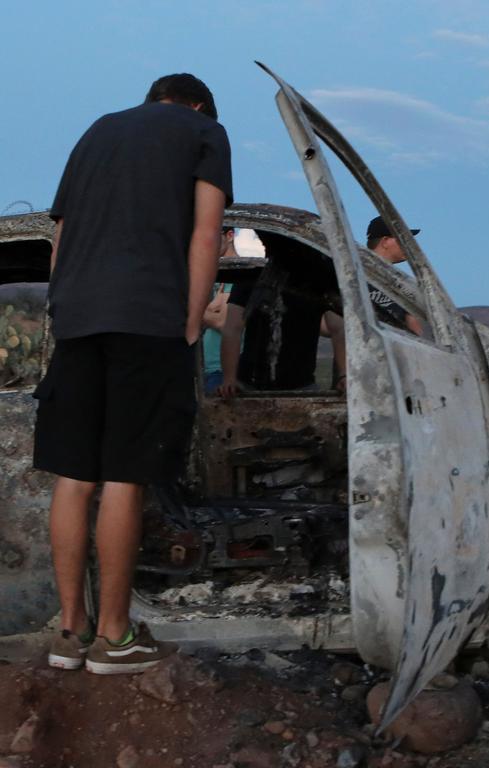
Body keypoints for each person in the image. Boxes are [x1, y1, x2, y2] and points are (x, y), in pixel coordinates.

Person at [36, 74, 232, 673]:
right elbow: (205, 235)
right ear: (198, 104)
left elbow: (60, 238)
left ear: (153, 98)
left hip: (77, 319)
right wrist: (194, 320)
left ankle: (69, 633)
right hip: (147, 317)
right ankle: (115, 638)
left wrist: (63, 310)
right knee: (125, 475)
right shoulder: (205, 131)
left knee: (74, 477)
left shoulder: (97, 130)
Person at [217, 233, 345, 396]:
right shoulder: (253, 279)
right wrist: (229, 379)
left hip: (297, 384)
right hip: (255, 383)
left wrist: (344, 374)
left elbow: (338, 328)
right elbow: (232, 329)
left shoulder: (317, 283)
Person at [365, 215, 424, 337]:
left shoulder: (402, 284)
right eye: (403, 239)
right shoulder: (354, 273)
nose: (409, 246)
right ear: (385, 241)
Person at [201, 227, 237, 394]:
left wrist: (191, 310)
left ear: (229, 236)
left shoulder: (237, 273)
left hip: (222, 372)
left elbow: (223, 321)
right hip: (209, 368)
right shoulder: (217, 275)